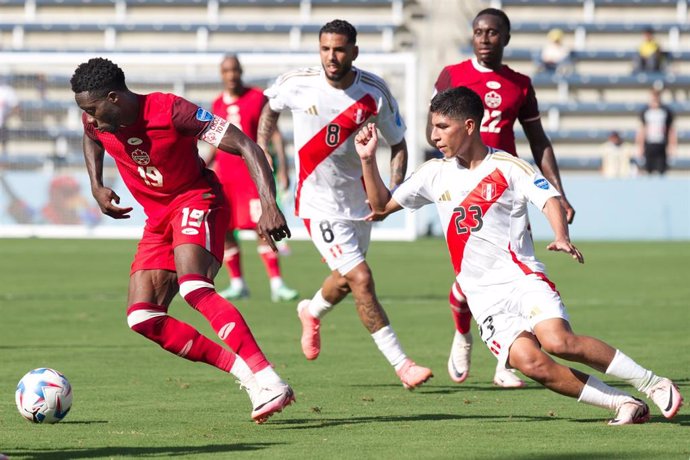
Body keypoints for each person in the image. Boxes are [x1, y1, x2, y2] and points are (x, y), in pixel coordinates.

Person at [356, 86, 683, 425]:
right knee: (531, 364)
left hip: (520, 279)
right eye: (432, 126)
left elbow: (549, 200)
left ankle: (653, 383)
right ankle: (622, 404)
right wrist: (368, 160)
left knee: (558, 342)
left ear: (469, 126)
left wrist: (561, 236)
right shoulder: (433, 173)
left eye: (442, 127)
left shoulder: (508, 167)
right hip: (483, 298)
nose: (433, 135)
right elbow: (381, 206)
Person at [70, 57, 294, 424]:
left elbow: (246, 145)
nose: (90, 119)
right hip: (157, 219)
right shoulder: (96, 119)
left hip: (197, 198)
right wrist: (96, 185)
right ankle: (249, 378)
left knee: (194, 289)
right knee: (143, 316)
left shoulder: (171, 110)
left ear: (113, 97)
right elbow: (91, 136)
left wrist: (269, 205)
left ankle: (269, 378)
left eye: (93, 110)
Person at [256, 19, 432, 389]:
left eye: (338, 49)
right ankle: (402, 365)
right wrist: (263, 149)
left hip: (359, 203)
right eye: (325, 49)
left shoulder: (374, 92)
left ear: (354, 51)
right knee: (362, 278)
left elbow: (398, 143)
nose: (331, 57)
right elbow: (270, 108)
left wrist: (391, 194)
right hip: (316, 203)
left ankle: (310, 310)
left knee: (346, 279)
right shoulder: (298, 83)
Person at [427, 7, 575, 389]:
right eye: (478, 31)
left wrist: (558, 191)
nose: (484, 38)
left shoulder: (520, 84)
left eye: (493, 32)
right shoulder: (453, 76)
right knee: (470, 276)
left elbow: (538, 141)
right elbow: (437, 122)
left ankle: (504, 362)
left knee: (514, 269)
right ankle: (463, 333)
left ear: (505, 38)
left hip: (507, 186)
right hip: (463, 183)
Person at [207, 54, 299, 302]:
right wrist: (201, 167)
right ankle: (238, 283)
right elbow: (214, 144)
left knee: (264, 226)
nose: (231, 75)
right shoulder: (217, 104)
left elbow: (276, 134)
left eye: (235, 70)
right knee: (225, 230)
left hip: (252, 175)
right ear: (221, 74)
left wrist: (283, 169)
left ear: (241, 71)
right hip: (225, 177)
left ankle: (277, 283)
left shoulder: (257, 97)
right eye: (226, 71)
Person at [635, 88, 676, 175]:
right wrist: (640, 146)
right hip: (649, 144)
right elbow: (642, 130)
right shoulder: (646, 111)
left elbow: (670, 130)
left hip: (661, 144)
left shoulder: (665, 111)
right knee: (648, 171)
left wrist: (672, 145)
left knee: (661, 171)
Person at [0, 77, 19, 156]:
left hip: (2, 125)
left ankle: (3, 165)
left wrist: (7, 116)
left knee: (4, 147)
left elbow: (16, 107)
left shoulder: (7, 91)